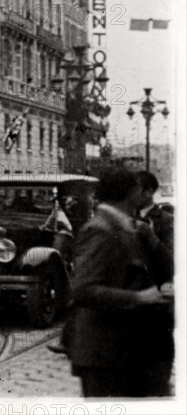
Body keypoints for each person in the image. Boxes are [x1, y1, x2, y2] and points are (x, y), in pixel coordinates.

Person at [65, 168, 174, 397]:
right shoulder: (101, 229)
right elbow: (83, 289)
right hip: (103, 355)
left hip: (122, 351)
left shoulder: (122, 225)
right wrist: (139, 297)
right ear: (131, 191)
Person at [136, 171, 174, 252]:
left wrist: (151, 237)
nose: (131, 194)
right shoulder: (128, 214)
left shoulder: (166, 219)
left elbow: (171, 259)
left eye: (135, 190)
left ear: (149, 192)